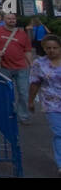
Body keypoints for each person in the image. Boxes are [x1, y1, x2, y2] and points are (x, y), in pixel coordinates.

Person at [0, 11, 34, 124]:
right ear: (4, 20)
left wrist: (31, 64)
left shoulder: (22, 34)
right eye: (9, 19)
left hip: (21, 67)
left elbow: (27, 50)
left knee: (24, 92)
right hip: (3, 67)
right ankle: (7, 113)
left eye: (13, 19)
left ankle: (24, 116)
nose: (12, 20)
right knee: (4, 92)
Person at [29, 34, 61, 174]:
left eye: (55, 48)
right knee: (59, 133)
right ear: (44, 49)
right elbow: (35, 83)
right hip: (51, 104)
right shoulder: (39, 63)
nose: (52, 51)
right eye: (48, 48)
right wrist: (30, 101)